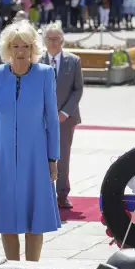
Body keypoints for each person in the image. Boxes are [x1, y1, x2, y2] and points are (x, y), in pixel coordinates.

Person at [0, 20, 61, 262]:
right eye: (15, 46)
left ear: (33, 48)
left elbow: (52, 120)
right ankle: (12, 267)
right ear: (7, 49)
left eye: (25, 46)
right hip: (0, 155)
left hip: (35, 155)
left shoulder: (45, 75)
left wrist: (52, 158)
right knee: (7, 215)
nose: (21, 51)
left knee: (35, 218)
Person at [39, 22, 84, 209]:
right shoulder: (36, 61)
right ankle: (43, 193)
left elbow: (78, 89)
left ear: (62, 40)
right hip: (40, 120)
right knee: (41, 156)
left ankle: (62, 195)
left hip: (65, 119)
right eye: (49, 39)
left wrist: (65, 112)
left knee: (63, 157)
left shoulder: (73, 61)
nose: (52, 43)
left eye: (56, 39)